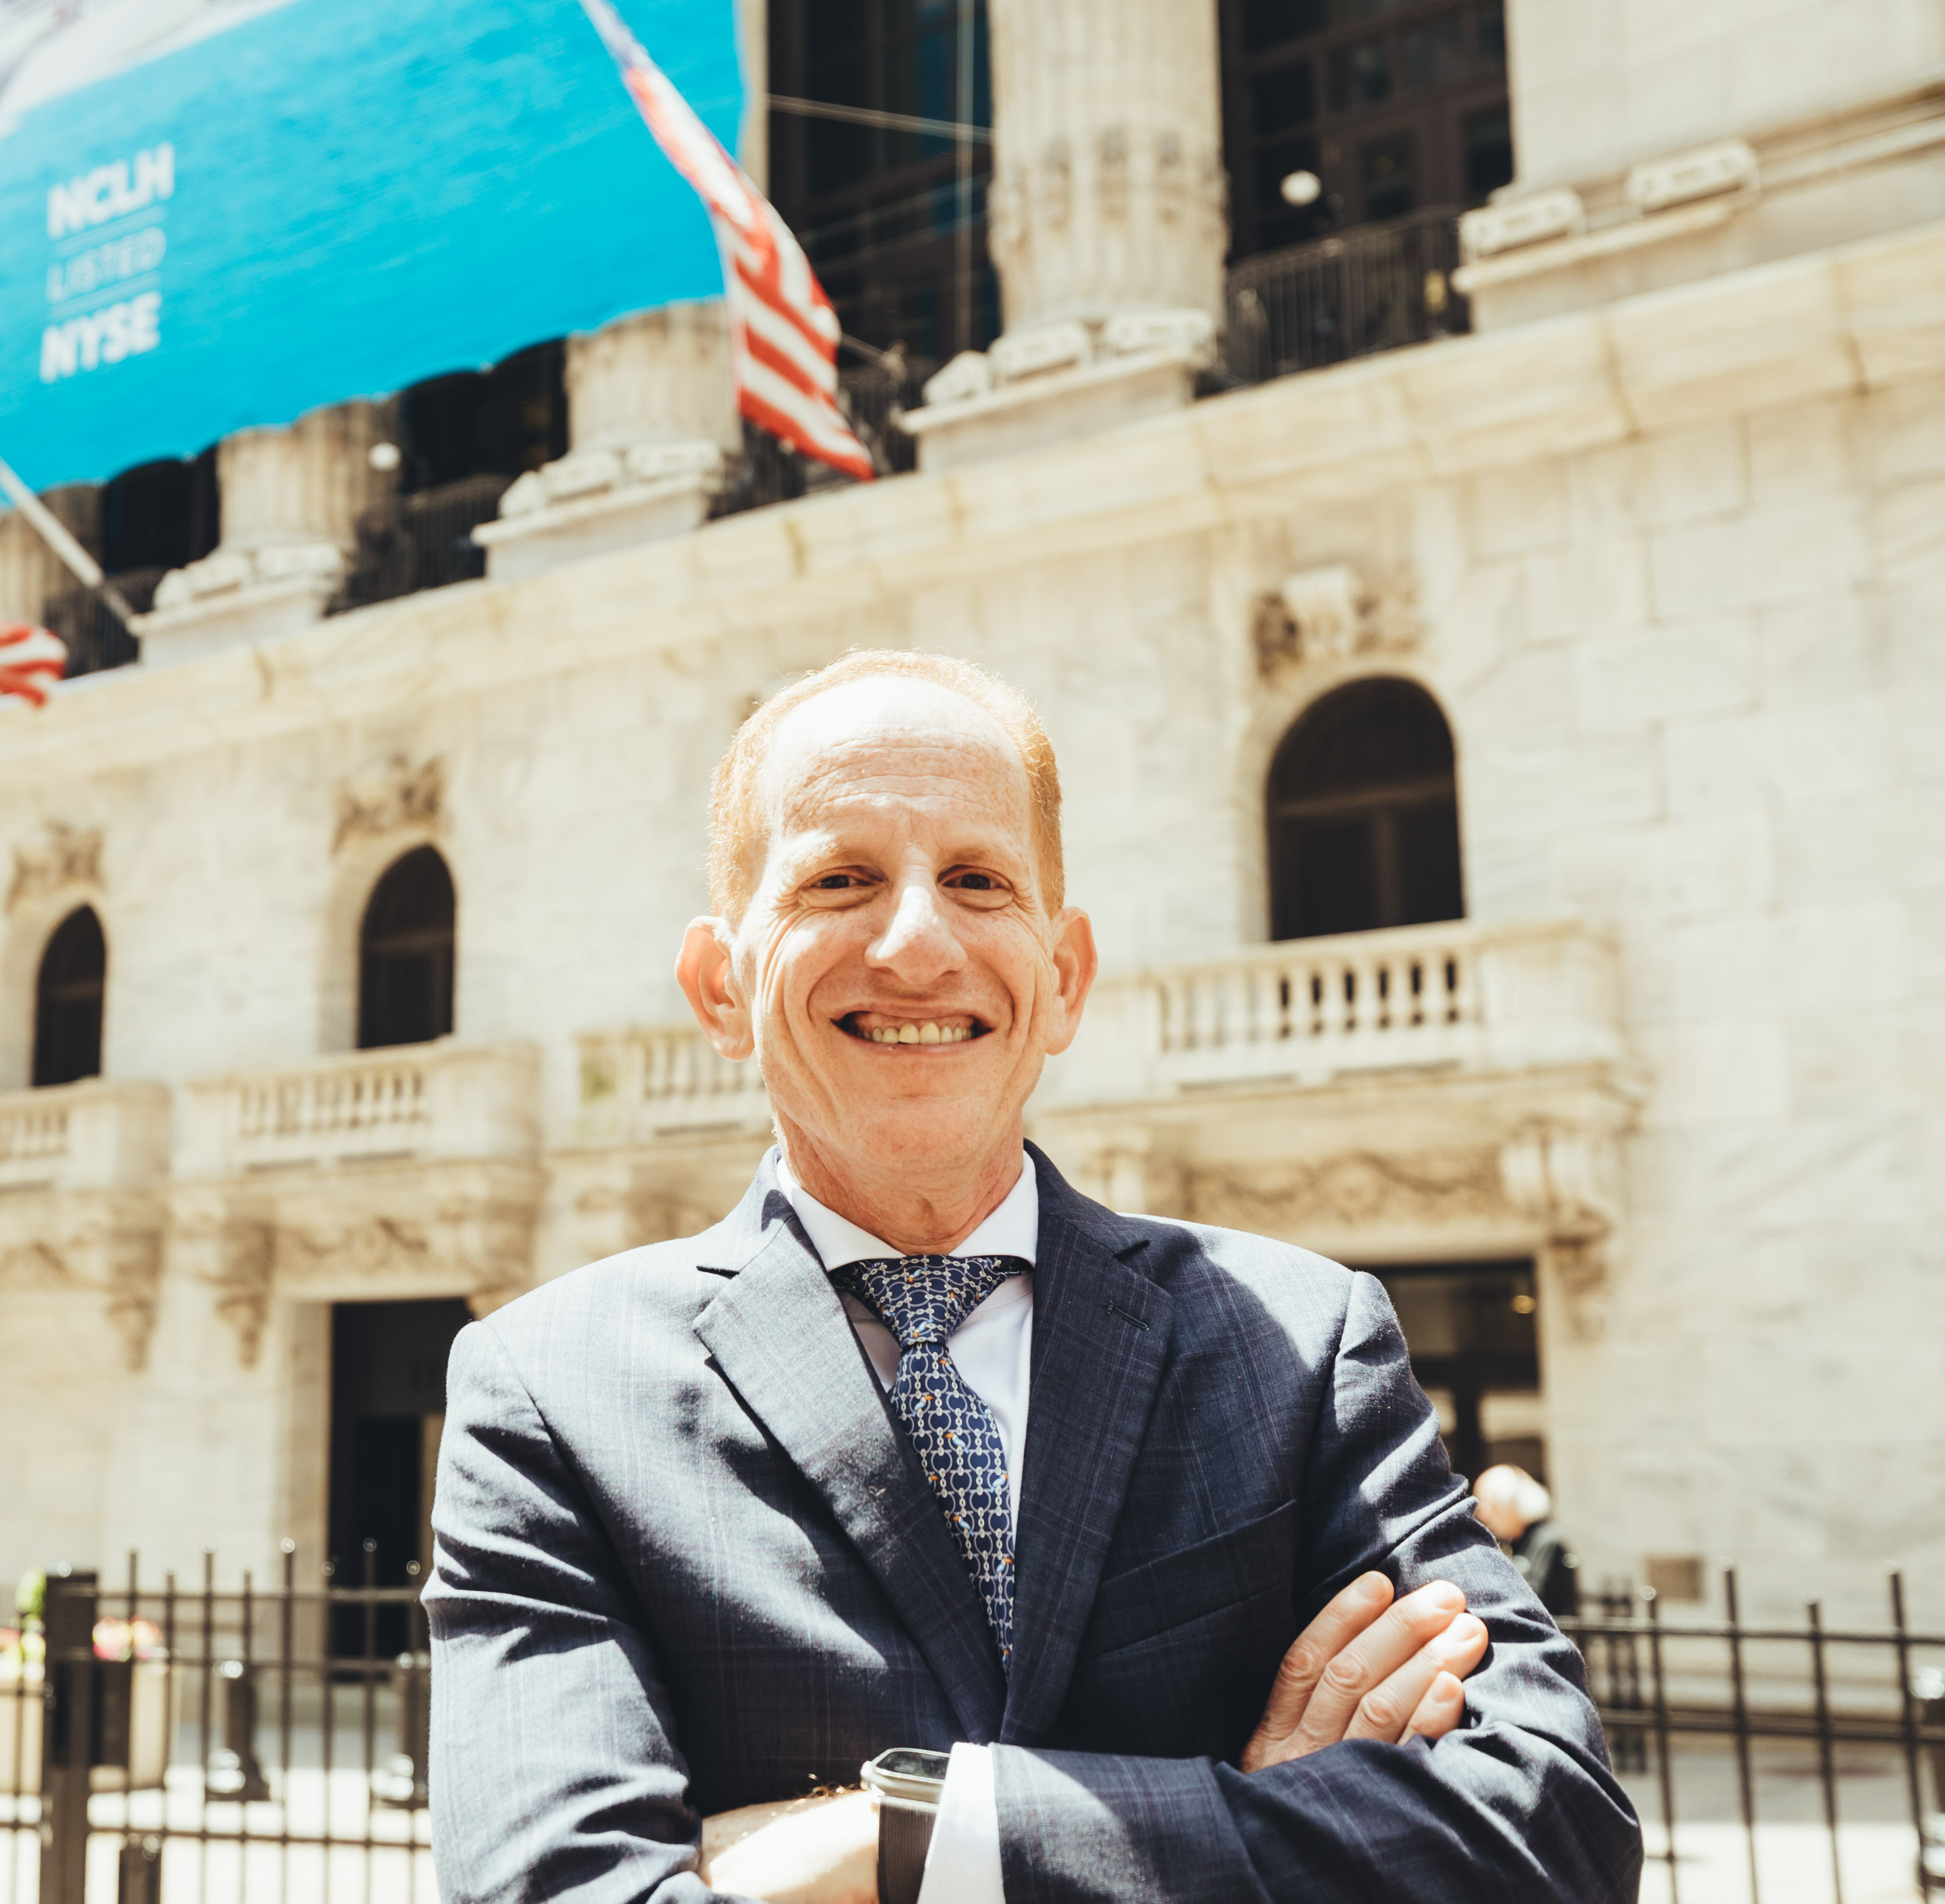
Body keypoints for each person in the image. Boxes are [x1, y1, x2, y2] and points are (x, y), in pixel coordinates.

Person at [425, 651, 1638, 1903]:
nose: (915, 942)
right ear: (718, 988)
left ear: (1062, 979)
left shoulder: (1302, 1340)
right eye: (839, 879)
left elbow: (1548, 1832)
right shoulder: (549, 1393)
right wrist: (1243, 1820)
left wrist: (908, 1838)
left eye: (976, 880)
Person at [1476, 1464, 1583, 1619]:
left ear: (1517, 1503)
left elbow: (1531, 1595)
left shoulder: (1547, 1540)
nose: (1483, 1515)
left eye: (1491, 1505)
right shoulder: (1512, 1542)